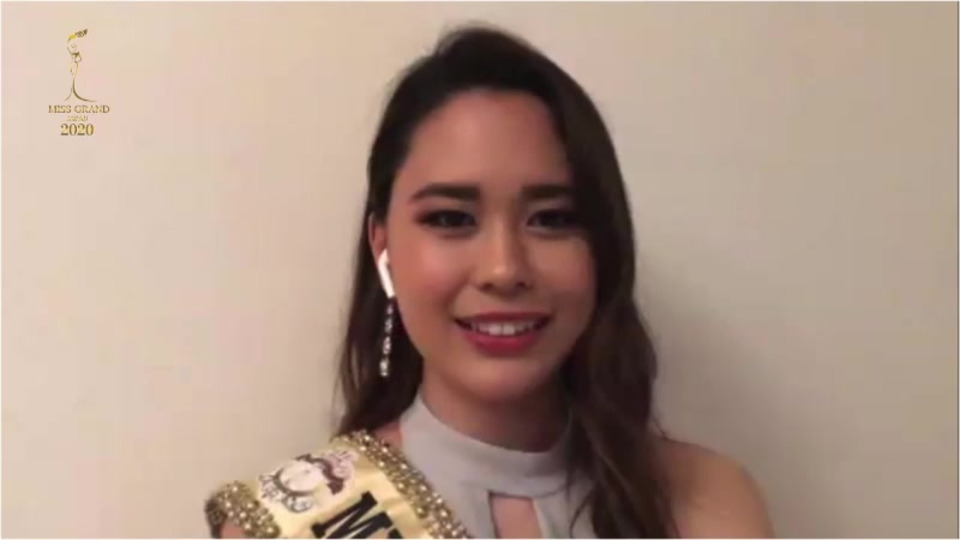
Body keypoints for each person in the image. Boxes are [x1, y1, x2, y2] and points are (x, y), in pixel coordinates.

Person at [204, 24, 774, 539]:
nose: (504, 269)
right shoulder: (285, 527)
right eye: (451, 219)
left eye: (552, 218)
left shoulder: (707, 503)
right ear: (384, 249)